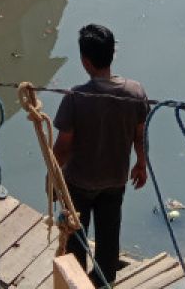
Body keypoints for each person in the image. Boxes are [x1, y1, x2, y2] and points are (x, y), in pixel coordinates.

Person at [53, 25, 149, 288]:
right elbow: (140, 134)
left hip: (79, 184)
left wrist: (53, 179)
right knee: (109, 237)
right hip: (115, 181)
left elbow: (62, 147)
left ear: (85, 61)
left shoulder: (75, 98)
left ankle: (77, 282)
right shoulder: (135, 92)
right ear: (112, 55)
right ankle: (104, 281)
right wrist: (141, 164)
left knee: (75, 239)